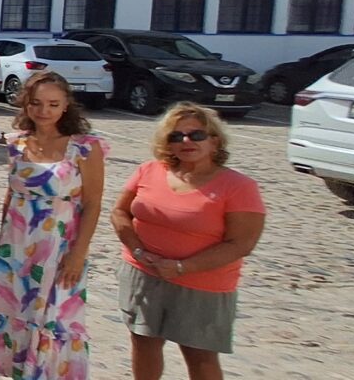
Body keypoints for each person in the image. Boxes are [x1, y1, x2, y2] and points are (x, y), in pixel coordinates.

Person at [113, 103, 265, 380]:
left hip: (202, 284)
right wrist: (138, 250)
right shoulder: (148, 170)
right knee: (143, 343)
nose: (186, 141)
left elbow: (241, 243)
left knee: (201, 357)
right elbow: (120, 212)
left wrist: (184, 267)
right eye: (176, 136)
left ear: (214, 141)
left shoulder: (239, 186)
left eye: (196, 135)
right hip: (144, 273)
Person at [0, 72, 108, 379]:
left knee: (54, 317)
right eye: (36, 103)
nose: (44, 110)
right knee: (14, 311)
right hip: (16, 248)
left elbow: (93, 203)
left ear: (66, 105)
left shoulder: (85, 148)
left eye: (53, 104)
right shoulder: (18, 144)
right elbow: (12, 195)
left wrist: (78, 254)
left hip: (59, 249)